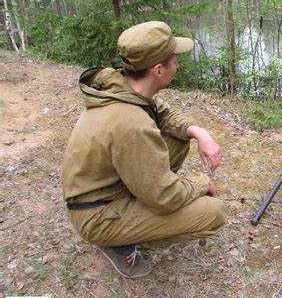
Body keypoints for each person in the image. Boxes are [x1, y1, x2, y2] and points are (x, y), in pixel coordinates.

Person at [62, 21, 226, 278]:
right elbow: (165, 197)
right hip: (98, 214)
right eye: (174, 60)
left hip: (106, 190)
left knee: (179, 138)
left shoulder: (124, 87)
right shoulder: (132, 123)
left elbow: (165, 115)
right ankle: (118, 242)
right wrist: (200, 183)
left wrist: (198, 132)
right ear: (158, 71)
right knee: (212, 213)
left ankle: (136, 209)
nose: (178, 65)